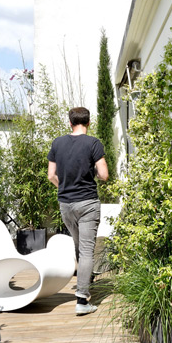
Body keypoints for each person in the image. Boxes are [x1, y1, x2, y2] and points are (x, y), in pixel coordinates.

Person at [48, 106, 109, 315]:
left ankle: (85, 278)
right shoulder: (93, 143)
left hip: (66, 204)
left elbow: (51, 175)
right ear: (89, 123)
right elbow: (104, 174)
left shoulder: (58, 143)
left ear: (70, 123)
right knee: (86, 250)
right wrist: (92, 171)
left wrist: (64, 187)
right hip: (87, 204)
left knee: (78, 245)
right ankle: (82, 299)